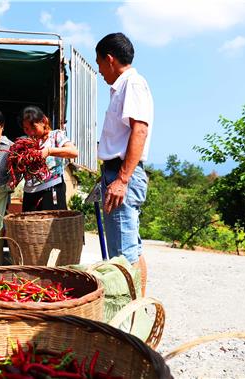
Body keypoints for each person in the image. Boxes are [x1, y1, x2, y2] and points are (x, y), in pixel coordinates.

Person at [95, 32, 153, 290]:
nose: (99, 71)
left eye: (98, 64)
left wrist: (122, 179)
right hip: (116, 172)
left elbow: (139, 130)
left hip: (122, 174)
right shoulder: (122, 87)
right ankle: (137, 307)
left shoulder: (133, 84)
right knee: (129, 248)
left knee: (124, 255)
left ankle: (131, 317)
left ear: (109, 59)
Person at [20, 105, 78, 212]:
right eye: (26, 128)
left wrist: (49, 151)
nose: (31, 132)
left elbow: (74, 152)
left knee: (53, 224)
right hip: (29, 192)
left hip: (52, 187)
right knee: (29, 225)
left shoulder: (56, 136)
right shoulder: (25, 142)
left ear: (43, 121)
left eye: (33, 127)